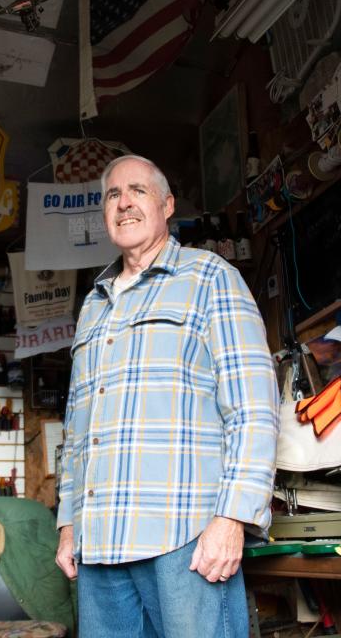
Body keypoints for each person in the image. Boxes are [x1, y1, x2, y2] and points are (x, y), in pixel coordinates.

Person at [55, 155, 279, 637]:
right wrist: (68, 524)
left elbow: (254, 409)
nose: (125, 202)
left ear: (167, 204)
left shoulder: (209, 278)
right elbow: (77, 431)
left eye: (138, 190)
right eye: (113, 194)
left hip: (185, 539)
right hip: (99, 545)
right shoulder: (93, 306)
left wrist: (233, 517)